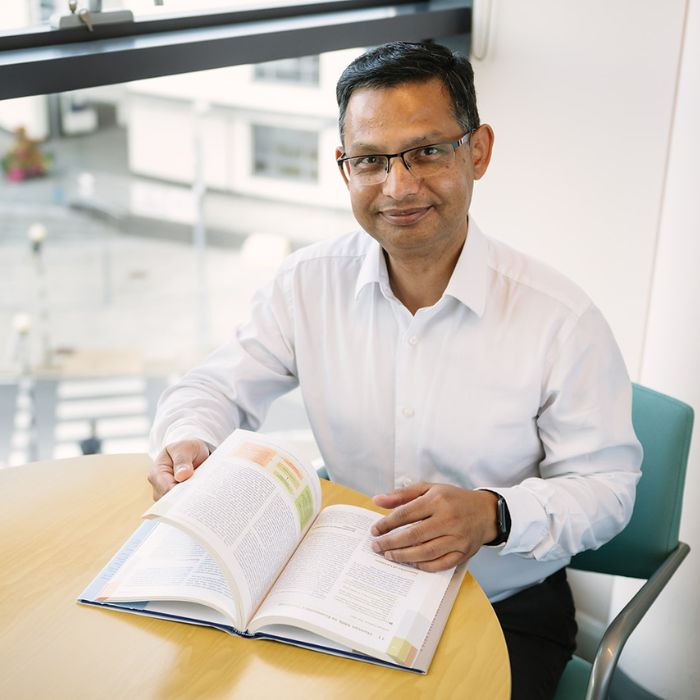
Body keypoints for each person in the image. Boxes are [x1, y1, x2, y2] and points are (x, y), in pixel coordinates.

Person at [148, 42, 642, 699]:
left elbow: (609, 487)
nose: (399, 186)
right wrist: (188, 441)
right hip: (343, 589)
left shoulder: (561, 319)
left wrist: (495, 515)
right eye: (373, 161)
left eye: (428, 151)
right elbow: (212, 388)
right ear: (344, 168)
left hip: (500, 607)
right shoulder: (306, 284)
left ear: (479, 151)